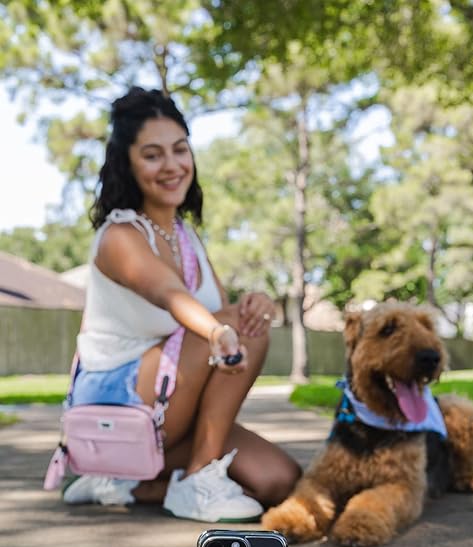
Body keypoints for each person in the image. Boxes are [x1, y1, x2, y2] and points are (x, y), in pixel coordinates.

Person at [63, 87, 301, 522]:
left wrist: (256, 305)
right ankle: (198, 480)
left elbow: (228, 328)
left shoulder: (189, 238)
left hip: (171, 406)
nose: (172, 165)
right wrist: (216, 331)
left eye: (180, 150)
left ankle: (125, 483)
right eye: (153, 155)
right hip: (116, 400)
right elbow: (171, 295)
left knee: (278, 480)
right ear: (127, 164)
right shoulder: (120, 236)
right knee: (239, 325)